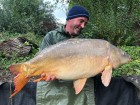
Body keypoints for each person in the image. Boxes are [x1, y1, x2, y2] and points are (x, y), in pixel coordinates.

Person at [36, 5, 95, 105]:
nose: (83, 26)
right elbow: (41, 62)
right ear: (70, 19)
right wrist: (44, 73)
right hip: (55, 87)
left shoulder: (85, 41)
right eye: (81, 21)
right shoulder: (51, 36)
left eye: (85, 23)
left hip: (78, 86)